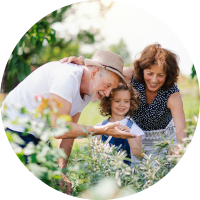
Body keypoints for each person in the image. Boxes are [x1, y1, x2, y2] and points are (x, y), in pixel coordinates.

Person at [0, 50, 137, 195]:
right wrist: (102, 130)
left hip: (39, 133)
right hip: (15, 127)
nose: (108, 93)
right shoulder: (67, 78)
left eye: (112, 88)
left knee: (53, 181)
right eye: (107, 85)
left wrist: (62, 170)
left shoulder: (88, 90)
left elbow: (69, 133)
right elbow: (60, 129)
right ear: (94, 72)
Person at [59, 43, 187, 159]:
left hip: (163, 139)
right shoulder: (130, 76)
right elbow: (104, 72)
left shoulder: (172, 95)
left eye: (160, 75)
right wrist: (82, 68)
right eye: (150, 73)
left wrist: (179, 147)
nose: (154, 80)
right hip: (136, 136)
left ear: (167, 75)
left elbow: (181, 128)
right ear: (142, 70)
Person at [93, 83, 145, 166]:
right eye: (117, 101)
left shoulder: (133, 128)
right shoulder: (99, 127)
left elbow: (140, 155)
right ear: (109, 102)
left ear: (131, 102)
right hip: (105, 174)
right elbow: (93, 155)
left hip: (126, 175)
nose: (122, 104)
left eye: (126, 101)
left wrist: (129, 136)